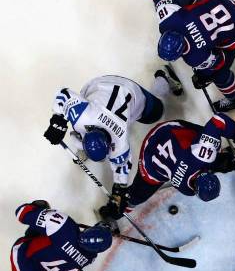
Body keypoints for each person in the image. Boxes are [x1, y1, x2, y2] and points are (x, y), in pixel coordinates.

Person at [43, 68, 183, 197]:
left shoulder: (120, 141)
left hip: (128, 90)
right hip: (99, 87)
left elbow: (122, 168)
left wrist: (119, 190)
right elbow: (63, 95)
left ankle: (163, 78)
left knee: (156, 113)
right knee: (78, 127)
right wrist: (58, 121)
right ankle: (84, 146)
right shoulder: (83, 114)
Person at [97, 114, 235, 222]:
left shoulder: (202, 157)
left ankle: (121, 205)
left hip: (164, 136)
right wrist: (220, 161)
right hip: (151, 160)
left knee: (138, 195)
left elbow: (218, 121)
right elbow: (203, 166)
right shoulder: (187, 188)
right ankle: (124, 203)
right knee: (137, 196)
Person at [153, 0, 235, 112]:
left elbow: (218, 63)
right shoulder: (167, 22)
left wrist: (204, 76)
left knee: (219, 73)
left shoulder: (195, 57)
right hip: (219, 0)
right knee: (170, 0)